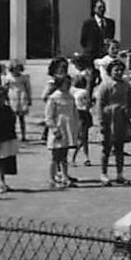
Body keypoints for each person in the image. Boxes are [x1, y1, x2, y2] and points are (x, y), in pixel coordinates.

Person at [95, 57, 131, 185]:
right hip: (109, 118)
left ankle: (120, 174)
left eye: (120, 70)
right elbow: (100, 104)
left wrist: (129, 113)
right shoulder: (105, 85)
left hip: (121, 118)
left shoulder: (126, 85)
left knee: (119, 147)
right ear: (110, 71)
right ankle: (103, 173)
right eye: (115, 70)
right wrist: (101, 121)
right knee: (106, 147)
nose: (118, 72)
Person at [42, 57, 80, 188]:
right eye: (66, 83)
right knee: (54, 157)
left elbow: (74, 114)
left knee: (64, 156)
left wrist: (76, 128)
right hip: (57, 130)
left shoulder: (70, 97)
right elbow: (48, 116)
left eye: (70, 83)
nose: (68, 85)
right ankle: (52, 178)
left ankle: (65, 176)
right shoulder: (54, 97)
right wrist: (53, 129)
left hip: (67, 129)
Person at [69, 55, 95, 167]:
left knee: (83, 137)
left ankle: (83, 157)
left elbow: (88, 94)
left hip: (81, 111)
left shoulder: (75, 87)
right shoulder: (79, 87)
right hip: (79, 112)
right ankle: (76, 157)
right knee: (81, 137)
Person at [79, 0, 116, 68]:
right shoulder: (88, 23)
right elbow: (83, 40)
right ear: (94, 9)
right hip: (91, 56)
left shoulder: (110, 23)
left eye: (103, 7)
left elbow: (111, 38)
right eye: (99, 7)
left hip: (104, 56)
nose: (102, 9)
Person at [3, 60, 33, 142]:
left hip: (22, 96)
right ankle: (12, 134)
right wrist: (5, 98)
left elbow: (28, 88)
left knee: (21, 118)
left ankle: (23, 135)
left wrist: (29, 98)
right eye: (15, 68)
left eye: (18, 68)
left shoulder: (24, 77)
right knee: (12, 118)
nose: (17, 70)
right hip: (13, 96)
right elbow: (5, 88)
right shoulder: (8, 77)